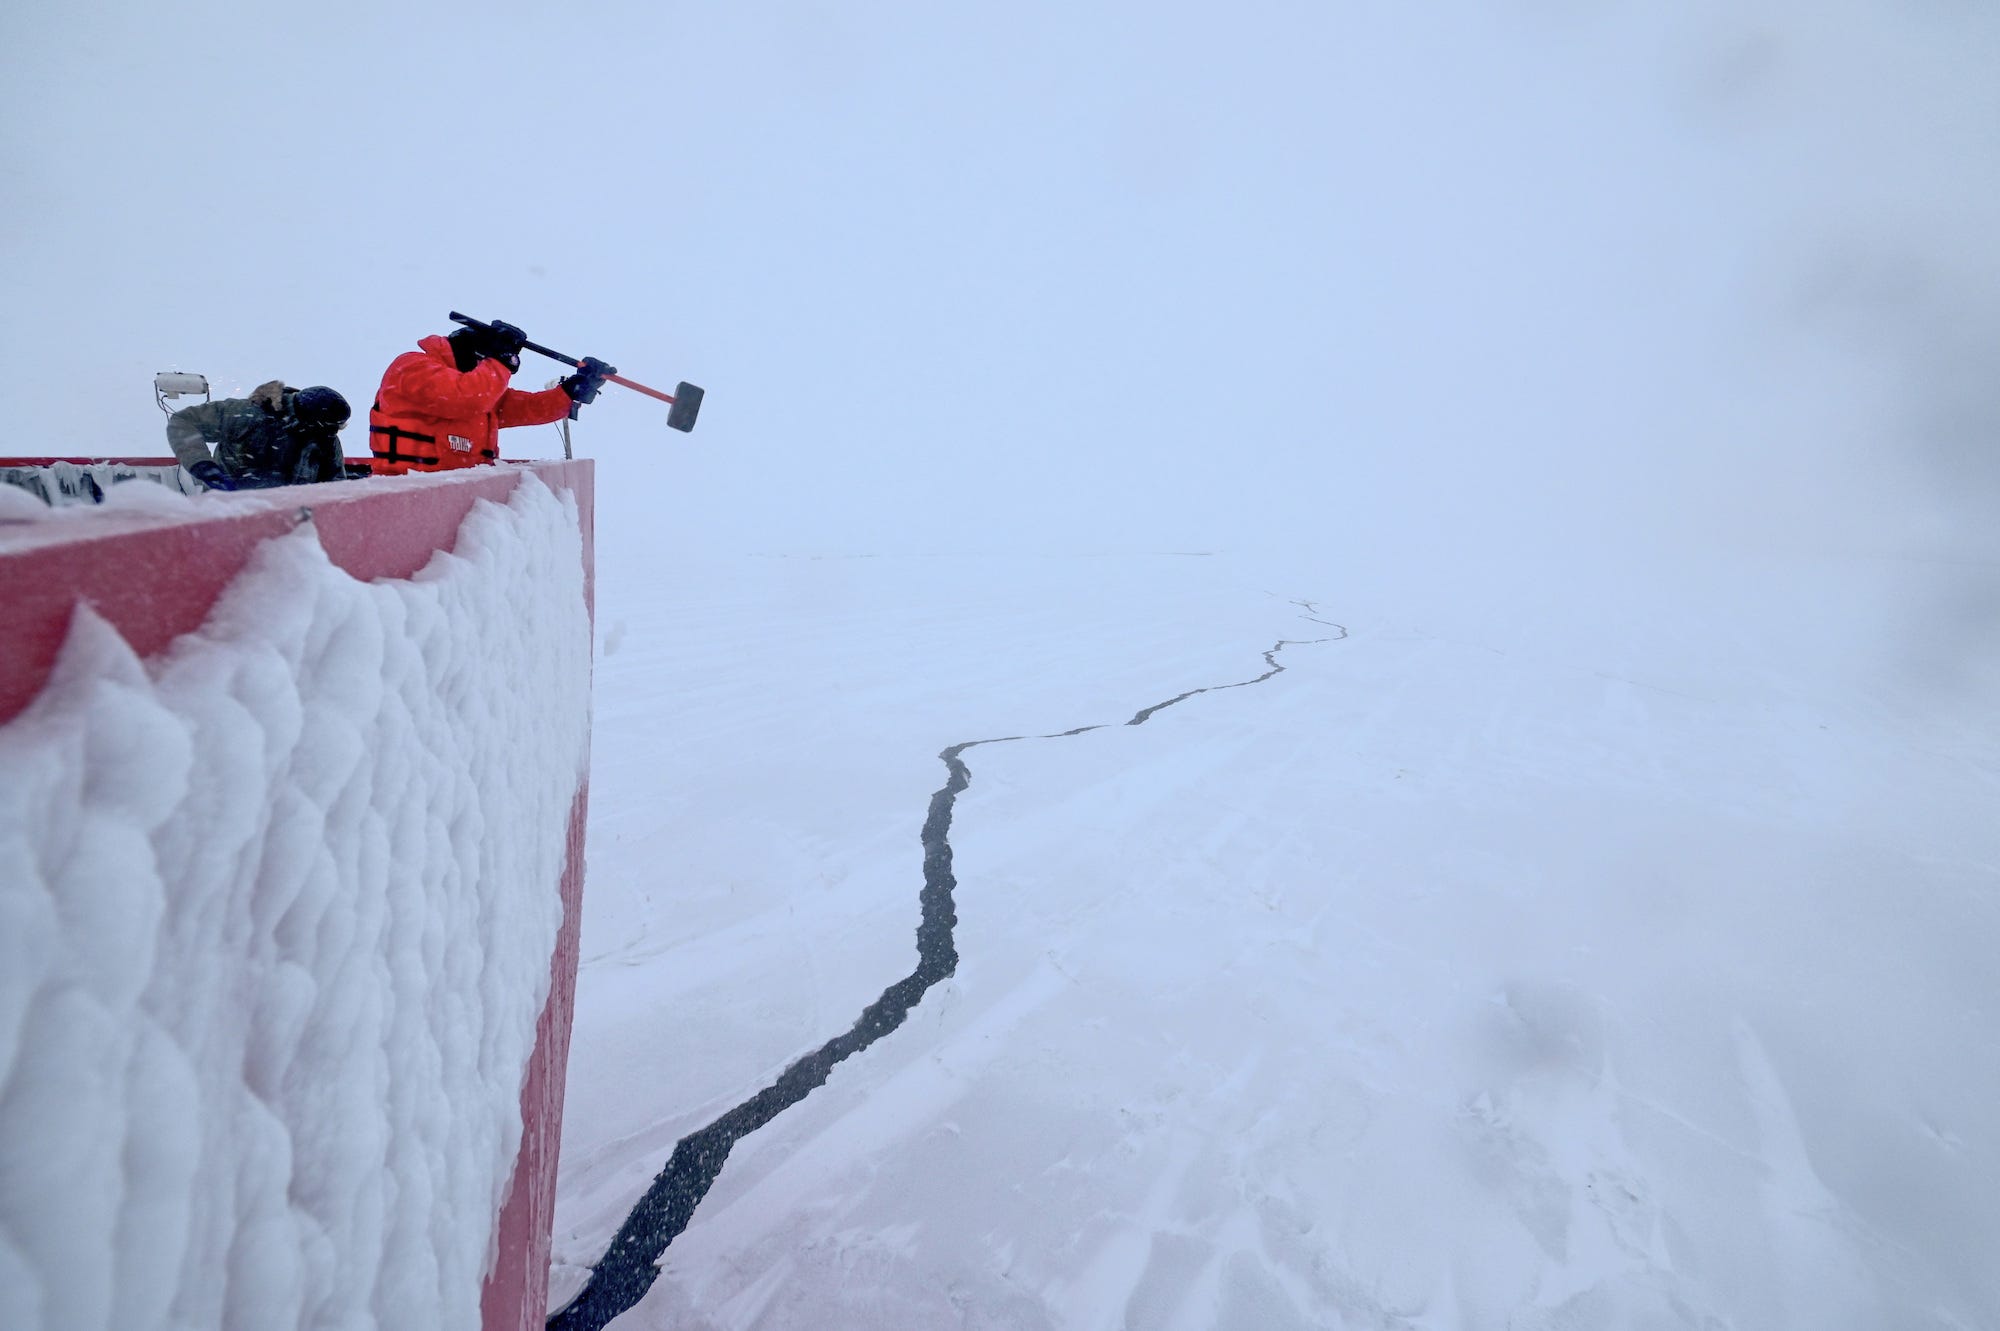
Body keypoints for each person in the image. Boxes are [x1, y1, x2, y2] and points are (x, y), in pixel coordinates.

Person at [367, 320, 611, 475]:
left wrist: (572, 390)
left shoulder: (478, 391)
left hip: (454, 499)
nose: (485, 368)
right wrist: (502, 360)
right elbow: (469, 397)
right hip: (405, 496)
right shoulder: (413, 367)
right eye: (484, 361)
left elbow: (528, 407)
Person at [167, 381, 352, 490]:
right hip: (226, 512)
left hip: (292, 522)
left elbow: (336, 484)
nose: (334, 433)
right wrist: (201, 464)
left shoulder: (325, 439)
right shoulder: (245, 415)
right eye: (332, 427)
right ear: (312, 421)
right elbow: (183, 421)